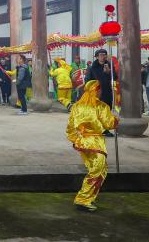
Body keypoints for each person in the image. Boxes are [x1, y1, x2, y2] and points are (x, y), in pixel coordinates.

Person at [66, 80, 117, 212]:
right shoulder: (101, 106)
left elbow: (70, 127)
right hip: (95, 142)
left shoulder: (76, 106)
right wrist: (115, 119)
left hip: (82, 141)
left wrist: (75, 139)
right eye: (100, 89)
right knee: (97, 170)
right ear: (97, 90)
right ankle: (83, 199)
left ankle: (89, 196)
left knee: (101, 169)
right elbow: (109, 124)